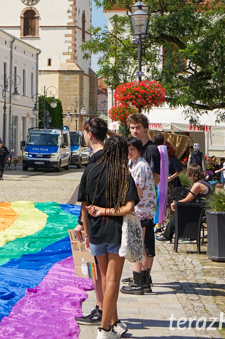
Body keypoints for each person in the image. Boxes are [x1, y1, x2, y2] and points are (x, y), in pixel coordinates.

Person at [77, 134, 138, 339]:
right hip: (114, 231)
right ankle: (104, 330)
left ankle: (114, 322)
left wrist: (85, 232)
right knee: (112, 280)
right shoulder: (122, 174)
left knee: (103, 279)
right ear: (121, 153)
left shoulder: (90, 170)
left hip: (94, 232)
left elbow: (84, 207)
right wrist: (106, 210)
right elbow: (129, 207)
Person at [74, 117, 108, 327]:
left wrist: (82, 224)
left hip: (97, 223)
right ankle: (102, 308)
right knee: (103, 271)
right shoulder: (112, 157)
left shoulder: (95, 162)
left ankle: (102, 308)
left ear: (90, 134)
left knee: (98, 270)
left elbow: (87, 198)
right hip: (108, 220)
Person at [121, 137, 158, 296]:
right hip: (142, 209)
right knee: (141, 245)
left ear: (139, 151)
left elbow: (137, 189)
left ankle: (138, 283)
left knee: (137, 244)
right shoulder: (134, 164)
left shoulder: (141, 166)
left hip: (140, 210)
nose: (129, 152)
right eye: (127, 150)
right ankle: (144, 282)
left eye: (132, 150)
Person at [157, 165, 212, 243]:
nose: (187, 175)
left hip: (200, 210)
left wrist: (175, 203)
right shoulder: (206, 183)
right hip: (204, 208)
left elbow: (187, 200)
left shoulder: (197, 185)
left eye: (188, 173)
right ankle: (170, 234)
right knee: (180, 211)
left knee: (179, 213)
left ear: (192, 174)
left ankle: (167, 235)